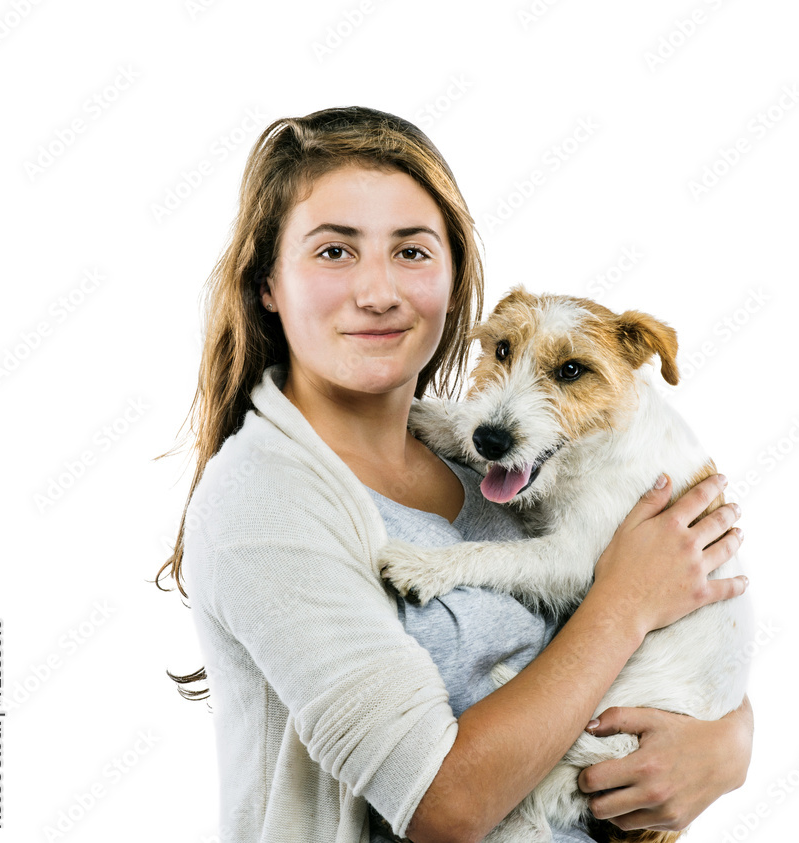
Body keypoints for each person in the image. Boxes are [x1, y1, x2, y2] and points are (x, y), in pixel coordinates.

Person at [156, 106, 753, 843]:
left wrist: (727, 745)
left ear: (453, 276)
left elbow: (675, 635)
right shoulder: (265, 504)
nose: (379, 292)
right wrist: (626, 603)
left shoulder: (498, 465)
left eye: (411, 251)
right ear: (267, 283)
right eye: (335, 251)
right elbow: (444, 807)